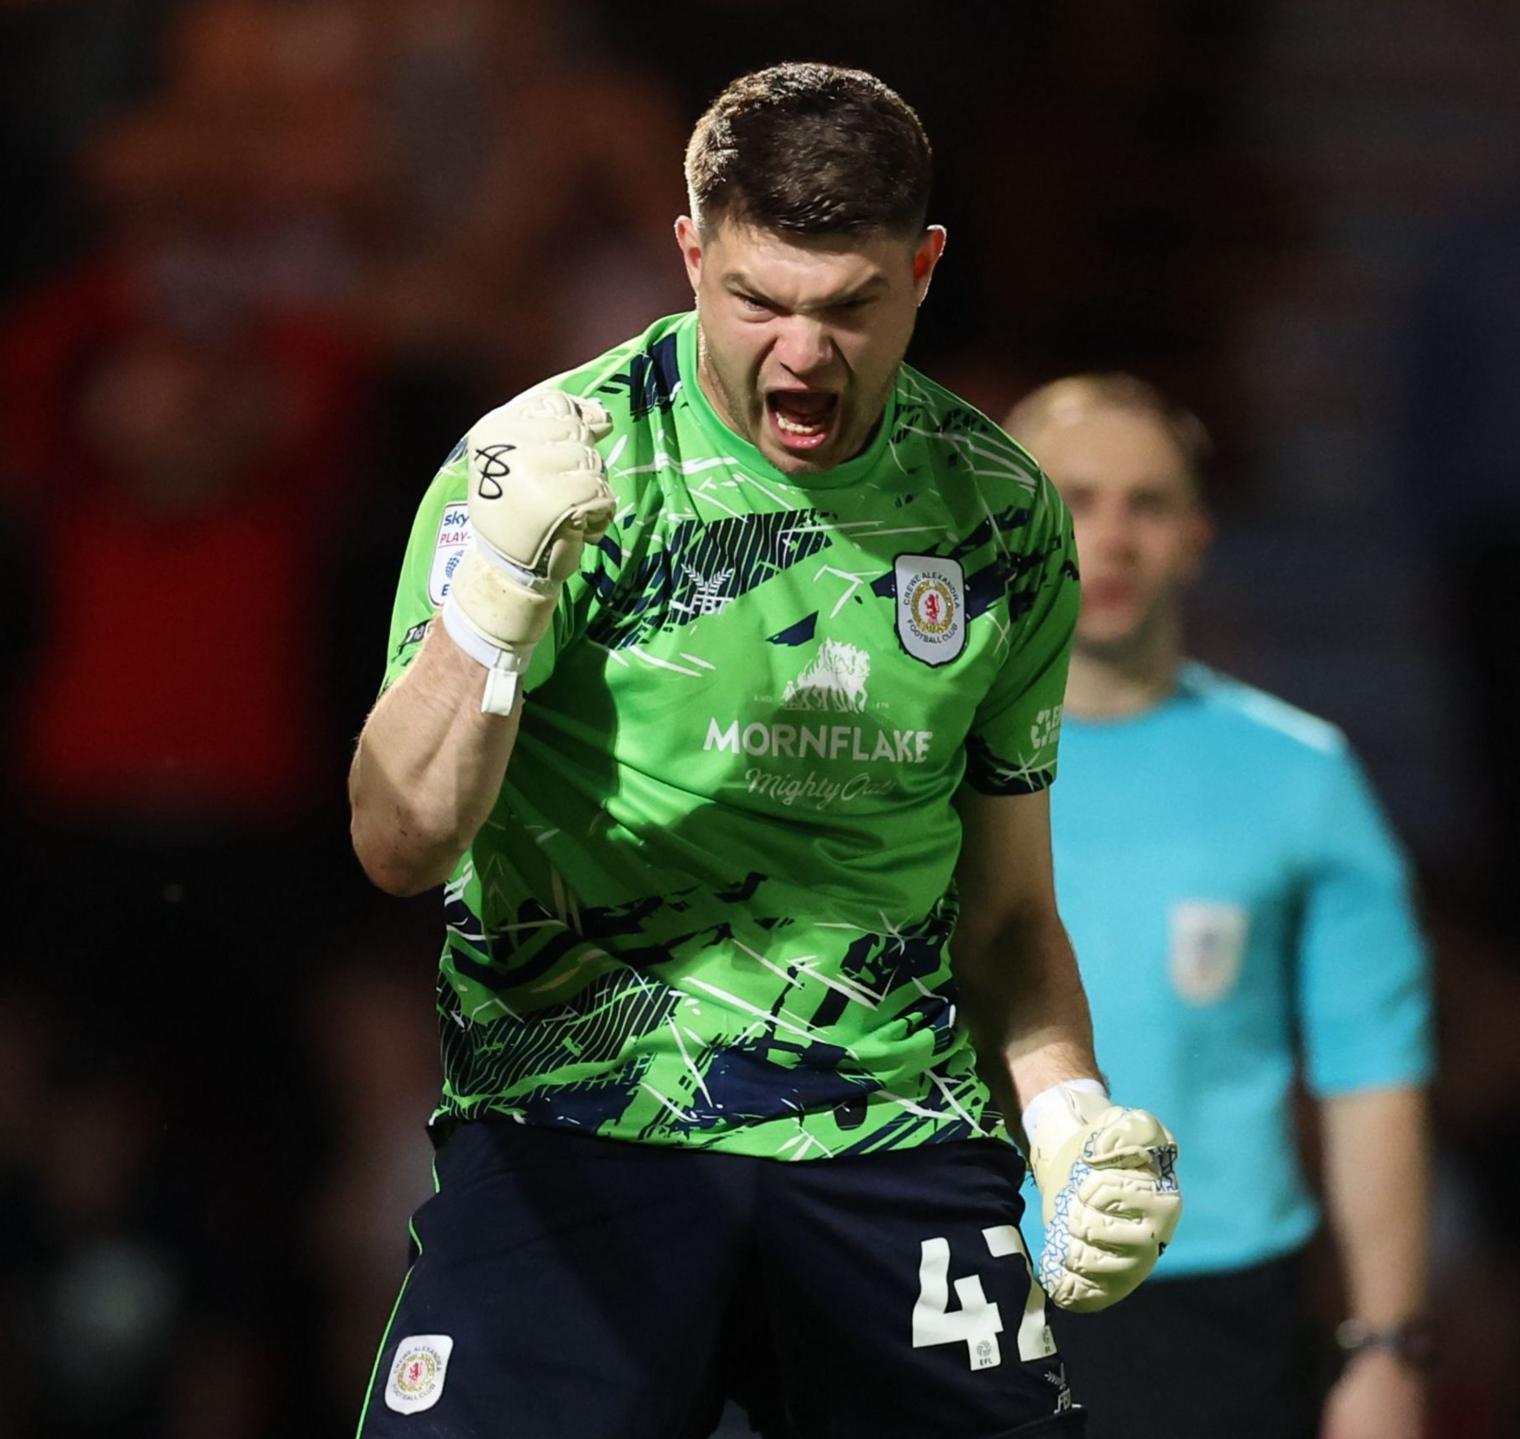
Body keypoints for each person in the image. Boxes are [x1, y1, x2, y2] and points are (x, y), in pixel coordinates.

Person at [345, 64, 1181, 1438]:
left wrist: (1071, 1118)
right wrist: (495, 599)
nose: (802, 353)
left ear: (924, 269)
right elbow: (397, 838)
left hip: (887, 1140)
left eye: (850, 307)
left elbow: (1012, 911)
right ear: (689, 254)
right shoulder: (548, 465)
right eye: (757, 301)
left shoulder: (999, 514)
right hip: (575, 1124)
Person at [1004, 375, 1435, 1439]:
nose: (1108, 536)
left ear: (1195, 536)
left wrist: (1387, 1345)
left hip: (1218, 1318)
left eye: (1145, 504)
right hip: (950, 1278)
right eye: (1074, 496)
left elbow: (1371, 1069)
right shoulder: (904, 762)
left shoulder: (1300, 774)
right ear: (999, 517)